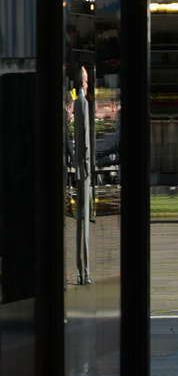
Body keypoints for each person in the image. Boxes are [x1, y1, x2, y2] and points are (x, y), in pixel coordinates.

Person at [69, 66, 93, 284]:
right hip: (83, 171)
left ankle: (80, 272)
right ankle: (85, 273)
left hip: (78, 168)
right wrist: (87, 170)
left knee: (79, 222)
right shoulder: (83, 103)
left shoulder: (76, 103)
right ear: (84, 82)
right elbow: (85, 143)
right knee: (84, 222)